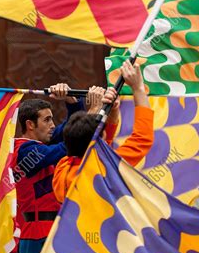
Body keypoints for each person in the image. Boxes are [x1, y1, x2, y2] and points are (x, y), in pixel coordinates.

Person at [12, 83, 102, 253]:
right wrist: (93, 113)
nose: (53, 125)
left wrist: (71, 100)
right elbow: (72, 142)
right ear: (30, 125)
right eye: (47, 120)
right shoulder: (23, 151)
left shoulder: (43, 144)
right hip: (40, 231)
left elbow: (70, 130)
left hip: (53, 228)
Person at [52, 61, 154, 203]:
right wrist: (138, 89)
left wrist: (111, 111)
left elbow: (98, 143)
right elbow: (143, 138)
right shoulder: (105, 165)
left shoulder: (63, 168)